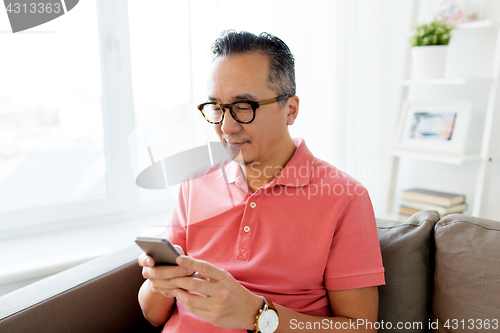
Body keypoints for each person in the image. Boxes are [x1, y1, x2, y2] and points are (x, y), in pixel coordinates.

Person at [138, 30, 385, 333]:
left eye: (244, 107)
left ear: (290, 109)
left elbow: (361, 328)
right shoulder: (195, 182)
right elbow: (153, 315)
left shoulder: (346, 197)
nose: (226, 127)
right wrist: (160, 283)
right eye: (217, 107)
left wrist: (258, 315)